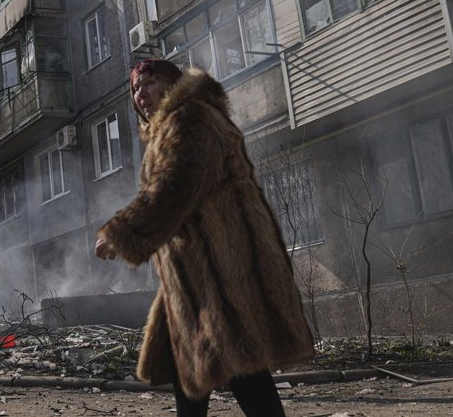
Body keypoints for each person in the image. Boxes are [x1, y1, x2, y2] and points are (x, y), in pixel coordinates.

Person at [95, 59, 314, 417]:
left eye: (149, 84)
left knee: (241, 369)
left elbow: (175, 188)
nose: (141, 95)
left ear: (171, 84)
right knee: (195, 373)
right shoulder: (171, 127)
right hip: (196, 276)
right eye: (135, 89)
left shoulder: (190, 119)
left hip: (222, 270)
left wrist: (122, 232)